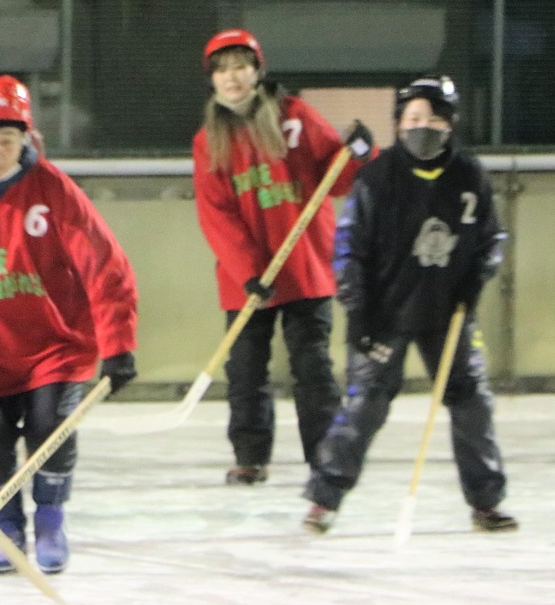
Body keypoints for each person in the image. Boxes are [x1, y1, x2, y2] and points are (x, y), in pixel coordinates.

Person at [302, 75, 518, 534]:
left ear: (450, 124)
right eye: (415, 118)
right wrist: (358, 312)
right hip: (384, 315)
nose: (425, 126)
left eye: (435, 117)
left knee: (472, 401)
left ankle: (486, 500)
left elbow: (490, 237)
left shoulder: (468, 175)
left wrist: (477, 278)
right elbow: (349, 249)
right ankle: (325, 498)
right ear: (399, 123)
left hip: (448, 314)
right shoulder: (377, 178)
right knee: (365, 406)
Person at [0, 74, 139, 577]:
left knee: (49, 432)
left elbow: (108, 268)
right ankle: (7, 531)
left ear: (26, 138)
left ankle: (51, 524)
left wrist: (118, 344)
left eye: (6, 141)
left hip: (57, 348)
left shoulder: (54, 191)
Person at [192, 29, 375, 488]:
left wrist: (360, 153)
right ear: (212, 79)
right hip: (246, 279)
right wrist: (248, 272)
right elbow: (217, 215)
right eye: (222, 69)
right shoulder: (208, 140)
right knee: (246, 370)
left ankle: (324, 456)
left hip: (305, 267)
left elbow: (337, 178)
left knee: (313, 368)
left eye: (240, 66)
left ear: (257, 71)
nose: (232, 77)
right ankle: (251, 457)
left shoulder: (294, 117)